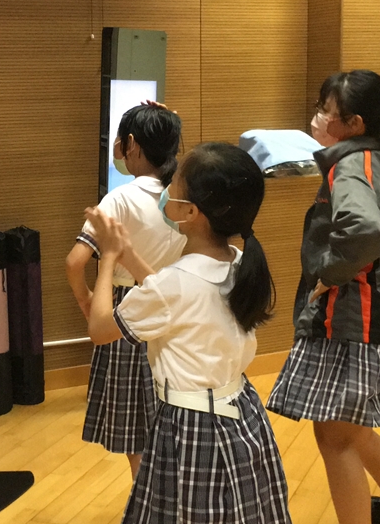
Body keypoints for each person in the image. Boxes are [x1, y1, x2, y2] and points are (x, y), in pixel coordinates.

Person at [85, 141, 291, 523]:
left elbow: (99, 329)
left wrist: (109, 259)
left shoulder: (175, 285)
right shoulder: (238, 263)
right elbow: (169, 297)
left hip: (191, 426)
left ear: (191, 212)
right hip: (241, 411)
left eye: (174, 184)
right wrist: (128, 252)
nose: (167, 190)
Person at [266, 70, 380, 524]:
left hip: (351, 317)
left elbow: (363, 230)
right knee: (352, 431)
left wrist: (332, 273)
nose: (316, 118)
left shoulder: (351, 166)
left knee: (335, 438)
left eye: (325, 110)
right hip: (369, 315)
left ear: (354, 123)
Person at [65, 103, 185, 479]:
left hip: (128, 309)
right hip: (174, 306)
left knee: (135, 431)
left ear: (131, 144)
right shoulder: (183, 197)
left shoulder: (119, 199)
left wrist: (86, 300)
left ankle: (146, 502)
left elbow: (75, 262)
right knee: (171, 415)